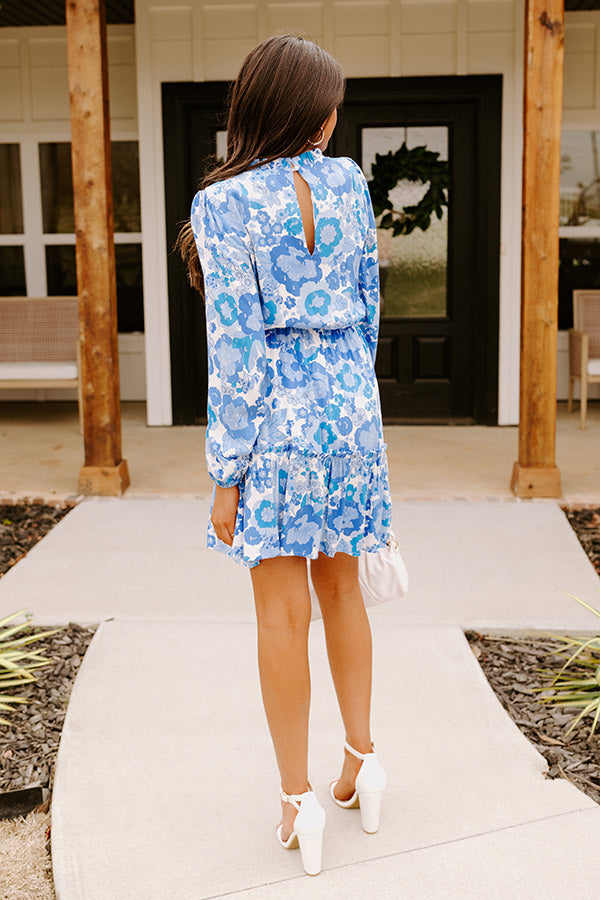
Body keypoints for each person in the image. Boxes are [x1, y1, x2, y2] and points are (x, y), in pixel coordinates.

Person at [176, 33, 392, 877]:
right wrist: (354, 404)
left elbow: (234, 350)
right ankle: (365, 762)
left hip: (278, 422)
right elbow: (370, 309)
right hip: (351, 410)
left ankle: (298, 802)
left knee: (280, 614)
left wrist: (225, 471)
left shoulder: (222, 204)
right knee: (343, 588)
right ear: (309, 111)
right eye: (330, 102)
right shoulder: (349, 185)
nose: (337, 117)